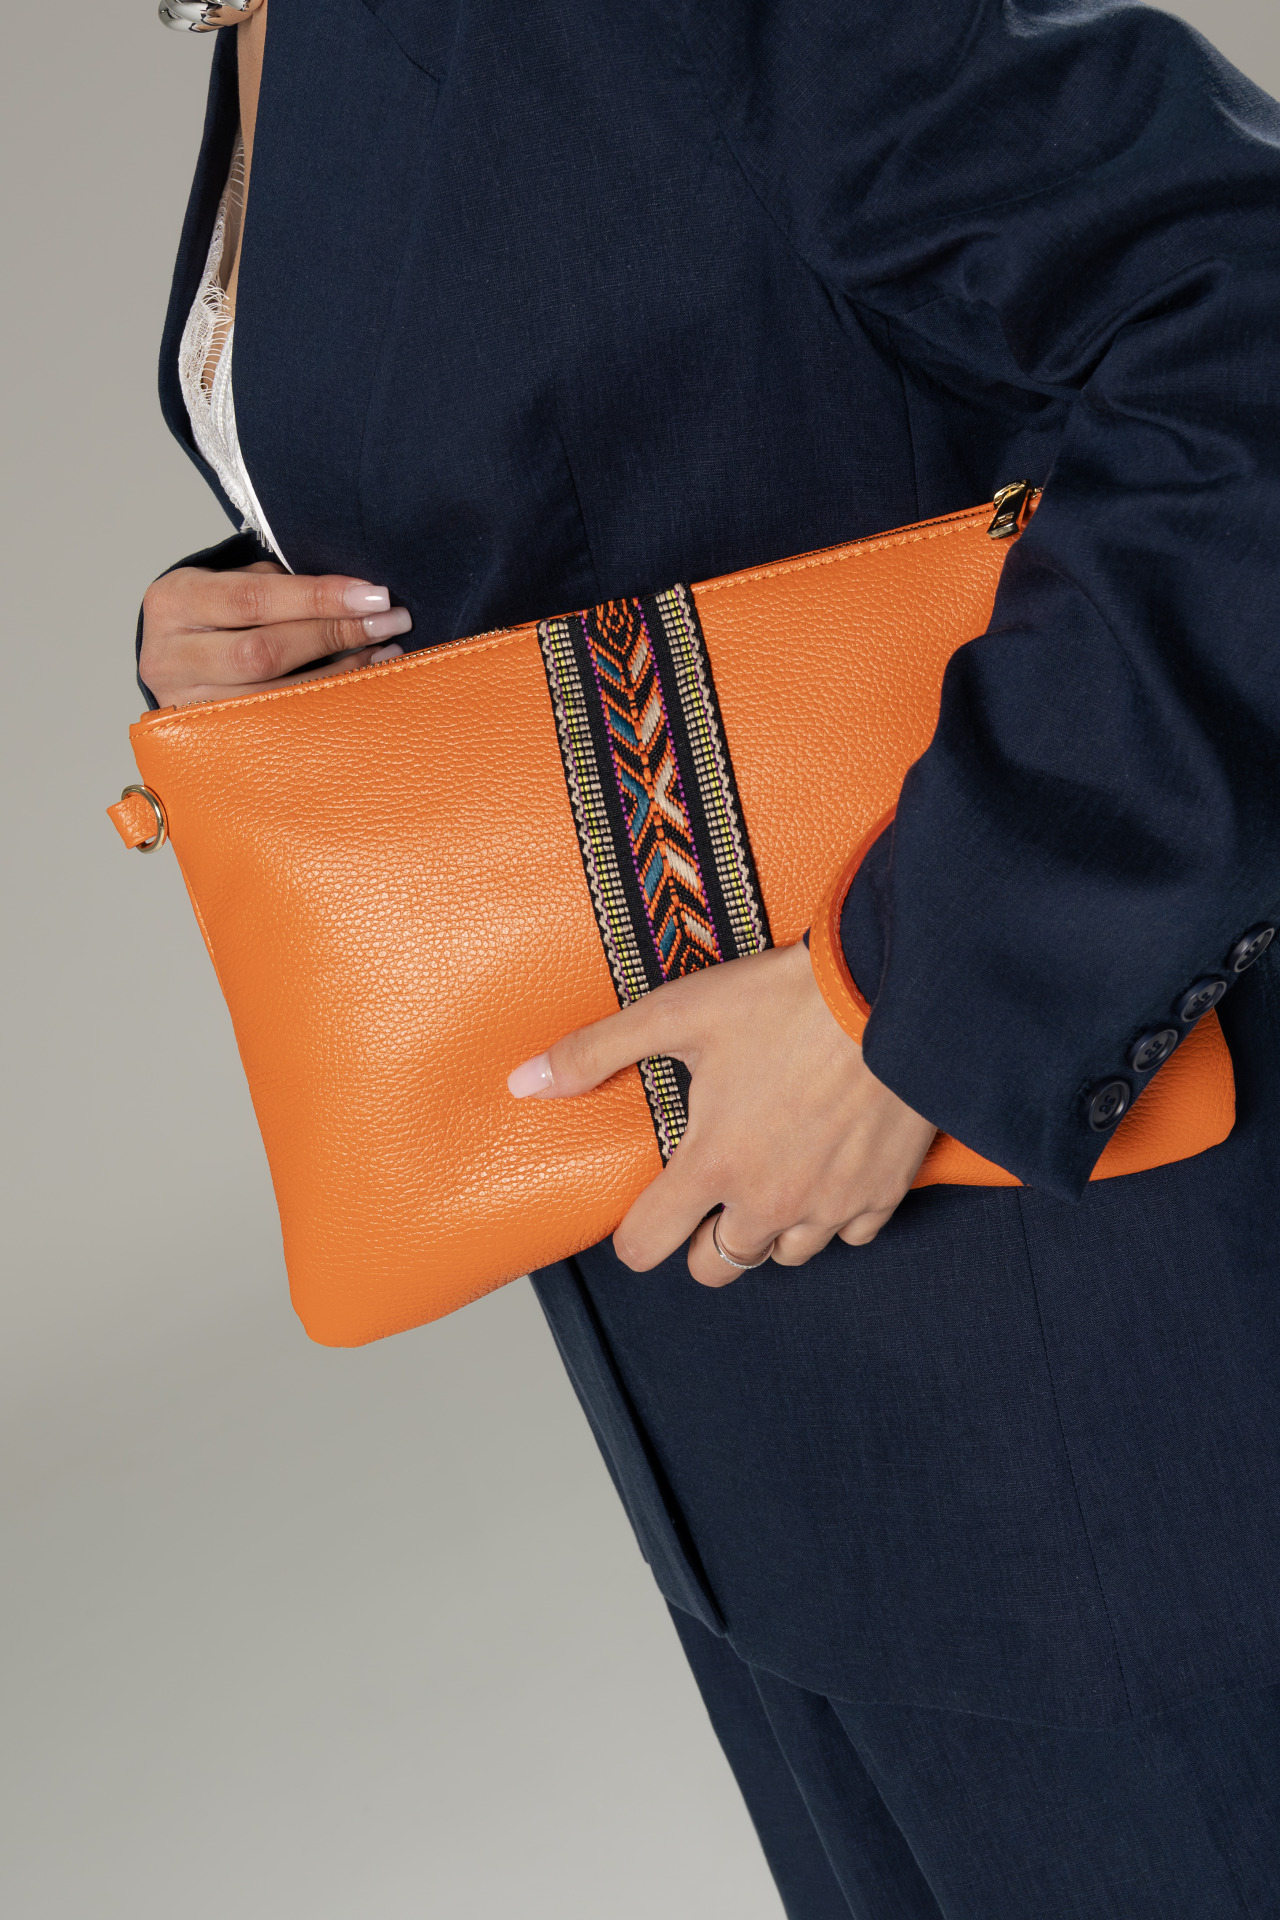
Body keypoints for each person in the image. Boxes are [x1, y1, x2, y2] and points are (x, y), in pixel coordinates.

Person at [138, 2, 1280, 1912]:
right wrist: (237, 620)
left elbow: (1245, 341)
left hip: (1082, 1364)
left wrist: (903, 1002)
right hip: (762, 1406)